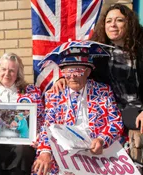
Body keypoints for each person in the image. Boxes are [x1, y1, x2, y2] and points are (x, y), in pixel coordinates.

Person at [26, 42, 124, 175]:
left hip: (95, 151)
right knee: (40, 171)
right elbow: (47, 127)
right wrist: (44, 152)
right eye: (68, 72)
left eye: (78, 72)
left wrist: (102, 139)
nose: (72, 78)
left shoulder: (102, 91)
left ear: (88, 71)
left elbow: (115, 123)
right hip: (64, 151)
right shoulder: (54, 94)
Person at [54, 4, 143, 132]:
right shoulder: (97, 53)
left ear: (130, 23)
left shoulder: (139, 51)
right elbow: (83, 71)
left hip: (136, 108)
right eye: (109, 21)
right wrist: (63, 79)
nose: (112, 25)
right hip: (108, 109)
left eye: (119, 20)